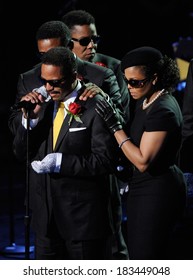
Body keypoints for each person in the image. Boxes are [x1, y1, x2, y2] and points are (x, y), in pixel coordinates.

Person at [9, 20, 129, 259]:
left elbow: (111, 141)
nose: (48, 87)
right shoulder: (33, 84)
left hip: (84, 215)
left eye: (55, 82)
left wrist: (61, 161)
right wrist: (29, 121)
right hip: (45, 213)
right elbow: (20, 147)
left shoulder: (97, 86)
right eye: (42, 56)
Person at [95, 46, 187, 259]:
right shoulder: (146, 101)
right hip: (143, 189)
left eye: (136, 82)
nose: (130, 87)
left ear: (154, 78)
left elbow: (143, 160)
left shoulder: (163, 108)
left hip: (158, 192)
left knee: (147, 257)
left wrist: (115, 127)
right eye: (127, 81)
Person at [61, 9, 131, 121]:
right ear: (67, 43)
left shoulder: (115, 67)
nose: (91, 45)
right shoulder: (54, 69)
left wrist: (104, 98)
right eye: (84, 41)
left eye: (95, 39)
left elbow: (123, 115)